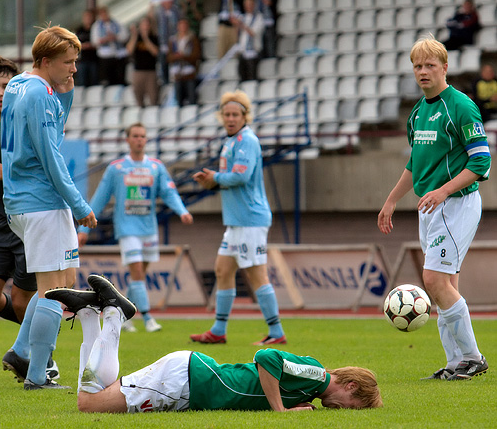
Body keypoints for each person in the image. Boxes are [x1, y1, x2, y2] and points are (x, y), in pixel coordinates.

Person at [44, 276, 383, 413]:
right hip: (189, 380)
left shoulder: (311, 389)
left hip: (189, 380)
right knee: (88, 404)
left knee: (95, 394)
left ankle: (88, 314)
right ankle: (114, 314)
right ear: (350, 386)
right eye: (353, 406)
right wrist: (281, 411)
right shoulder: (318, 375)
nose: (345, 412)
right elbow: (267, 356)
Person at [378, 35, 490, 381]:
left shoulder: (461, 106)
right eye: (418, 66)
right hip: (430, 208)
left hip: (457, 203)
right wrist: (392, 200)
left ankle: (472, 357)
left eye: (430, 65)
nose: (423, 71)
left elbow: (481, 162)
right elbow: (415, 164)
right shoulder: (417, 113)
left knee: (434, 280)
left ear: (445, 67)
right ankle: (456, 364)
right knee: (444, 285)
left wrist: (443, 190)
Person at [0, 25, 97, 390]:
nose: (74, 69)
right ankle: (37, 375)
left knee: (65, 279)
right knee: (54, 291)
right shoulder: (40, 94)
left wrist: (66, 94)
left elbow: (52, 130)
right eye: (68, 62)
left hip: (23, 200)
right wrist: (79, 204)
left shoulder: (19, 84)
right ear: (45, 60)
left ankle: (21, 350)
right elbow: (51, 155)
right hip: (42, 202)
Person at [0, 56, 60, 382]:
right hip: (1, 219)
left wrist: (8, 174)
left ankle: (42, 358)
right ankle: (36, 335)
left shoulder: (25, 116)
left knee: (25, 299)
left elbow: (43, 162)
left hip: (27, 214)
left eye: (6, 86)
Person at [78, 122, 193, 333]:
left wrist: (182, 211)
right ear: (128, 139)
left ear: (146, 139)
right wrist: (84, 229)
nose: (139, 140)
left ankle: (121, 315)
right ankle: (148, 318)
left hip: (148, 229)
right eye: (135, 136)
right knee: (138, 272)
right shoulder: (117, 168)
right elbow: (100, 198)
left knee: (138, 276)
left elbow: (169, 192)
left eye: (142, 136)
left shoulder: (156, 167)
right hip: (127, 228)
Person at [190, 90, 284, 346]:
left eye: (235, 114)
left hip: (250, 220)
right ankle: (218, 331)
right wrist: (212, 182)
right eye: (227, 114)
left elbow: (241, 176)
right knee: (223, 270)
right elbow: (230, 178)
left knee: (256, 275)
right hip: (236, 221)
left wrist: (216, 178)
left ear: (245, 116)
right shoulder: (231, 141)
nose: (230, 118)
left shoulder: (247, 140)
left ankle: (276, 332)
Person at [126, 16, 160, 107]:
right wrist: (134, 36)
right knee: (138, 94)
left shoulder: (154, 37)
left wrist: (146, 38)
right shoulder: (135, 38)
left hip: (150, 71)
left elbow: (155, 52)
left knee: (153, 95)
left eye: (147, 24)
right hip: (138, 71)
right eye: (143, 24)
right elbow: (129, 50)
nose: (145, 27)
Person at [167, 18, 201, 107]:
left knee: (192, 98)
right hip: (178, 74)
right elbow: (169, 57)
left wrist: (184, 56)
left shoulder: (192, 39)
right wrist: (175, 57)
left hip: (189, 73)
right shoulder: (173, 40)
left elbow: (196, 55)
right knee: (179, 100)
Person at [91, 6, 129, 86]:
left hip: (118, 55)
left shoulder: (117, 23)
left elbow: (125, 36)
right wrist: (104, 39)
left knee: (119, 78)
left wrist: (115, 37)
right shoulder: (96, 26)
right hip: (105, 56)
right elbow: (94, 41)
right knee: (108, 79)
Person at [231, 0, 264, 82]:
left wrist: (240, 24)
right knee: (242, 76)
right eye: (246, 5)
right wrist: (236, 25)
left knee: (252, 77)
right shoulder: (242, 17)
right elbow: (237, 34)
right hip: (243, 52)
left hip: (254, 52)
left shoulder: (259, 17)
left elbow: (252, 32)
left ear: (254, 5)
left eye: (250, 4)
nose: (248, 7)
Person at [151, 0, 179, 85]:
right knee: (163, 62)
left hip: (175, 41)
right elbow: (153, 22)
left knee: (176, 60)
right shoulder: (158, 12)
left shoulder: (176, 11)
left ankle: (177, 79)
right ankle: (165, 81)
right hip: (163, 42)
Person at [74, 9, 99, 88]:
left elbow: (97, 43)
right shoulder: (79, 30)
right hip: (83, 60)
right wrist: (84, 46)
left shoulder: (96, 29)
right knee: (82, 81)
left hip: (94, 59)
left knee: (94, 80)